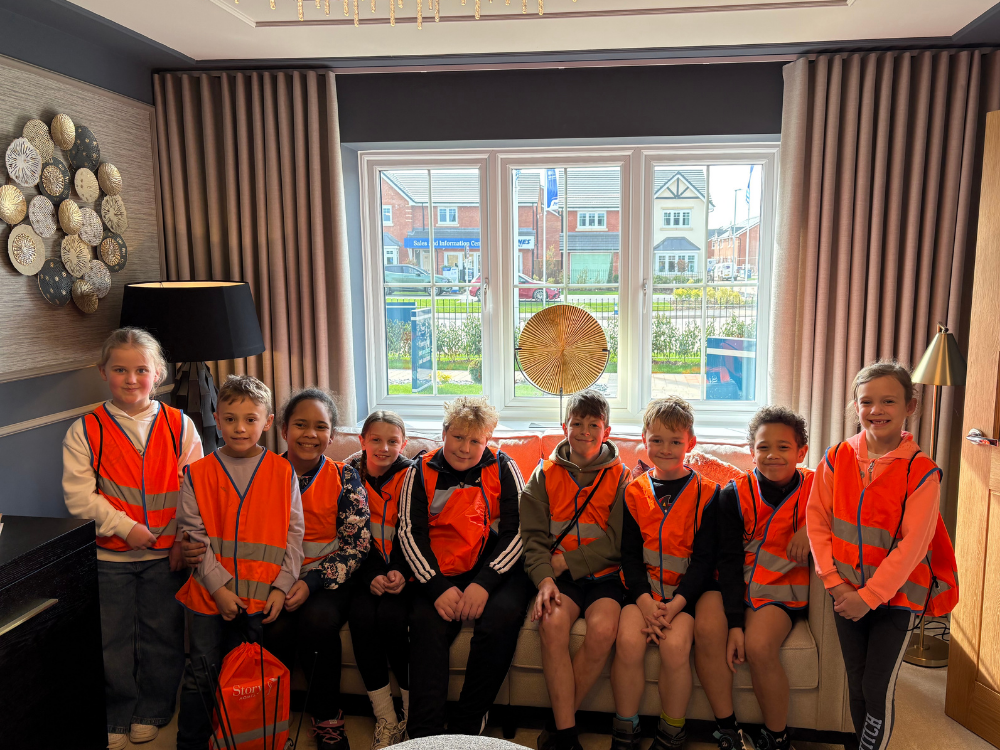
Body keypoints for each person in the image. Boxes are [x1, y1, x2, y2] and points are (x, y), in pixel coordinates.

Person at [183, 387, 369, 750]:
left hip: (321, 580)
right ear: (282, 428)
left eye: (320, 427)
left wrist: (310, 582)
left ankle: (327, 719)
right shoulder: (264, 471)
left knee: (317, 622)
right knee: (274, 629)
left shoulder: (342, 477)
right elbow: (222, 527)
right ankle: (263, 724)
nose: (310, 434)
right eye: (300, 424)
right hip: (266, 582)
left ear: (332, 434)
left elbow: (356, 546)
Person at [62, 328, 203, 750]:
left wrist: (180, 539)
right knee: (113, 640)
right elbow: (79, 498)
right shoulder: (86, 430)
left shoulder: (180, 425)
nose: (131, 379)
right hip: (110, 559)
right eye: (120, 370)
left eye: (141, 369)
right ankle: (117, 714)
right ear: (103, 371)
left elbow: (194, 490)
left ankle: (152, 711)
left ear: (158, 373)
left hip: (166, 557)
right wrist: (126, 527)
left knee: (163, 635)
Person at [807, 361, 959, 750]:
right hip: (845, 592)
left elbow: (913, 546)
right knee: (856, 681)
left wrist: (870, 596)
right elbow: (817, 520)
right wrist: (835, 583)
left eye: (888, 401)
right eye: (866, 401)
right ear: (855, 406)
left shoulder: (920, 471)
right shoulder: (836, 457)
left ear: (910, 406)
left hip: (897, 598)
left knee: (877, 686)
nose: (876, 410)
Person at [174, 375, 305, 750]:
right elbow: (193, 534)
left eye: (250, 419)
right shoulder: (198, 473)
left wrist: (282, 587)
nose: (240, 428)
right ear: (216, 418)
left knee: (249, 679)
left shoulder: (282, 471)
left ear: (267, 422)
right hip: (209, 597)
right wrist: (218, 588)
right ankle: (191, 743)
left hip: (261, 598)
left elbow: (295, 534)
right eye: (230, 419)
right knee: (202, 672)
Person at [398, 396, 534, 738]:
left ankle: (469, 723)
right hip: (438, 571)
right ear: (444, 433)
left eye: (475, 441)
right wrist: (435, 587)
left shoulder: (504, 466)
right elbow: (409, 533)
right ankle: (424, 734)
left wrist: (484, 583)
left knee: (500, 619)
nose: (465, 448)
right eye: (458, 437)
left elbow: (519, 531)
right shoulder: (418, 471)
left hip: (496, 569)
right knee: (426, 624)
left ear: (488, 440)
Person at [611, 397, 725, 750]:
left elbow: (705, 562)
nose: (665, 448)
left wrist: (675, 606)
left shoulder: (709, 493)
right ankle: (626, 728)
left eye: (675, 441)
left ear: (690, 443)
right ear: (644, 439)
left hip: (684, 597)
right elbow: (629, 555)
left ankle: (671, 732)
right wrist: (645, 602)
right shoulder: (634, 491)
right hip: (643, 593)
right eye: (657, 440)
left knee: (675, 648)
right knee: (628, 642)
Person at [520, 390, 631, 750]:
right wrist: (545, 579)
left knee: (603, 630)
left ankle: (555, 726)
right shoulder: (543, 474)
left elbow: (618, 542)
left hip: (605, 577)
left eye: (593, 425)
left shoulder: (623, 477)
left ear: (606, 431)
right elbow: (532, 539)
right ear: (563, 426)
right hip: (559, 579)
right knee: (551, 623)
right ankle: (567, 737)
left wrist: (567, 560)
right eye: (577, 423)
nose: (584, 431)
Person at [716, 406, 813, 750]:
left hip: (781, 592)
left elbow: (849, 513)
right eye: (763, 447)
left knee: (758, 646)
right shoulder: (732, 494)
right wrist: (734, 622)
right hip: (735, 587)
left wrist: (812, 530)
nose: (772, 455)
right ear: (751, 450)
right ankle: (727, 728)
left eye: (783, 447)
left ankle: (777, 738)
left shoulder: (818, 488)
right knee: (709, 630)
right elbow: (727, 562)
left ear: (801, 452)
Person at [347, 410, 414, 749]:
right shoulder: (347, 474)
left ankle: (411, 714)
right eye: (376, 440)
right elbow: (348, 533)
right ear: (362, 441)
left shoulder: (412, 475)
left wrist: (402, 570)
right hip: (364, 570)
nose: (384, 448)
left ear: (404, 444)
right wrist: (370, 574)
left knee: (393, 619)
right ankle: (385, 716)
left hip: (405, 572)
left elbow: (414, 531)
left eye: (392, 441)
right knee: (361, 617)